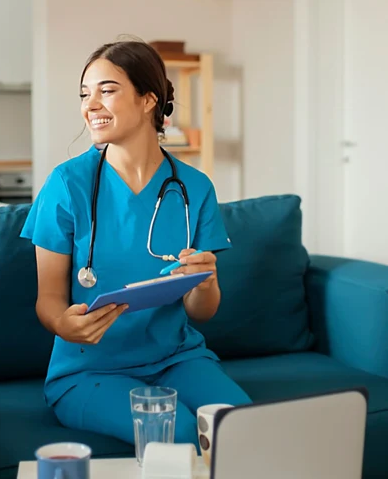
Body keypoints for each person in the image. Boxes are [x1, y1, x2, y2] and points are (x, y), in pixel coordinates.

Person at [20, 39, 251, 448]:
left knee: (241, 430)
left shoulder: (194, 188)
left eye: (106, 90)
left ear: (148, 100)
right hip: (89, 372)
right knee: (177, 431)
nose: (90, 104)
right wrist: (64, 324)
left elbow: (203, 312)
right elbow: (48, 300)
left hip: (178, 359)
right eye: (84, 94)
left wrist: (205, 282)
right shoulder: (67, 185)